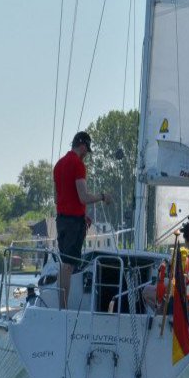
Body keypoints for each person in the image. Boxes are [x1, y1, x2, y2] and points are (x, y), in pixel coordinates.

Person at [53, 130, 110, 307]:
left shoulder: (58, 165)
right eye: (87, 150)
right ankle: (63, 307)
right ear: (83, 146)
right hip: (72, 224)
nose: (86, 155)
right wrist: (102, 196)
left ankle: (61, 305)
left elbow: (57, 198)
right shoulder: (77, 165)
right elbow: (83, 197)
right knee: (69, 266)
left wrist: (81, 213)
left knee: (65, 263)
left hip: (62, 221)